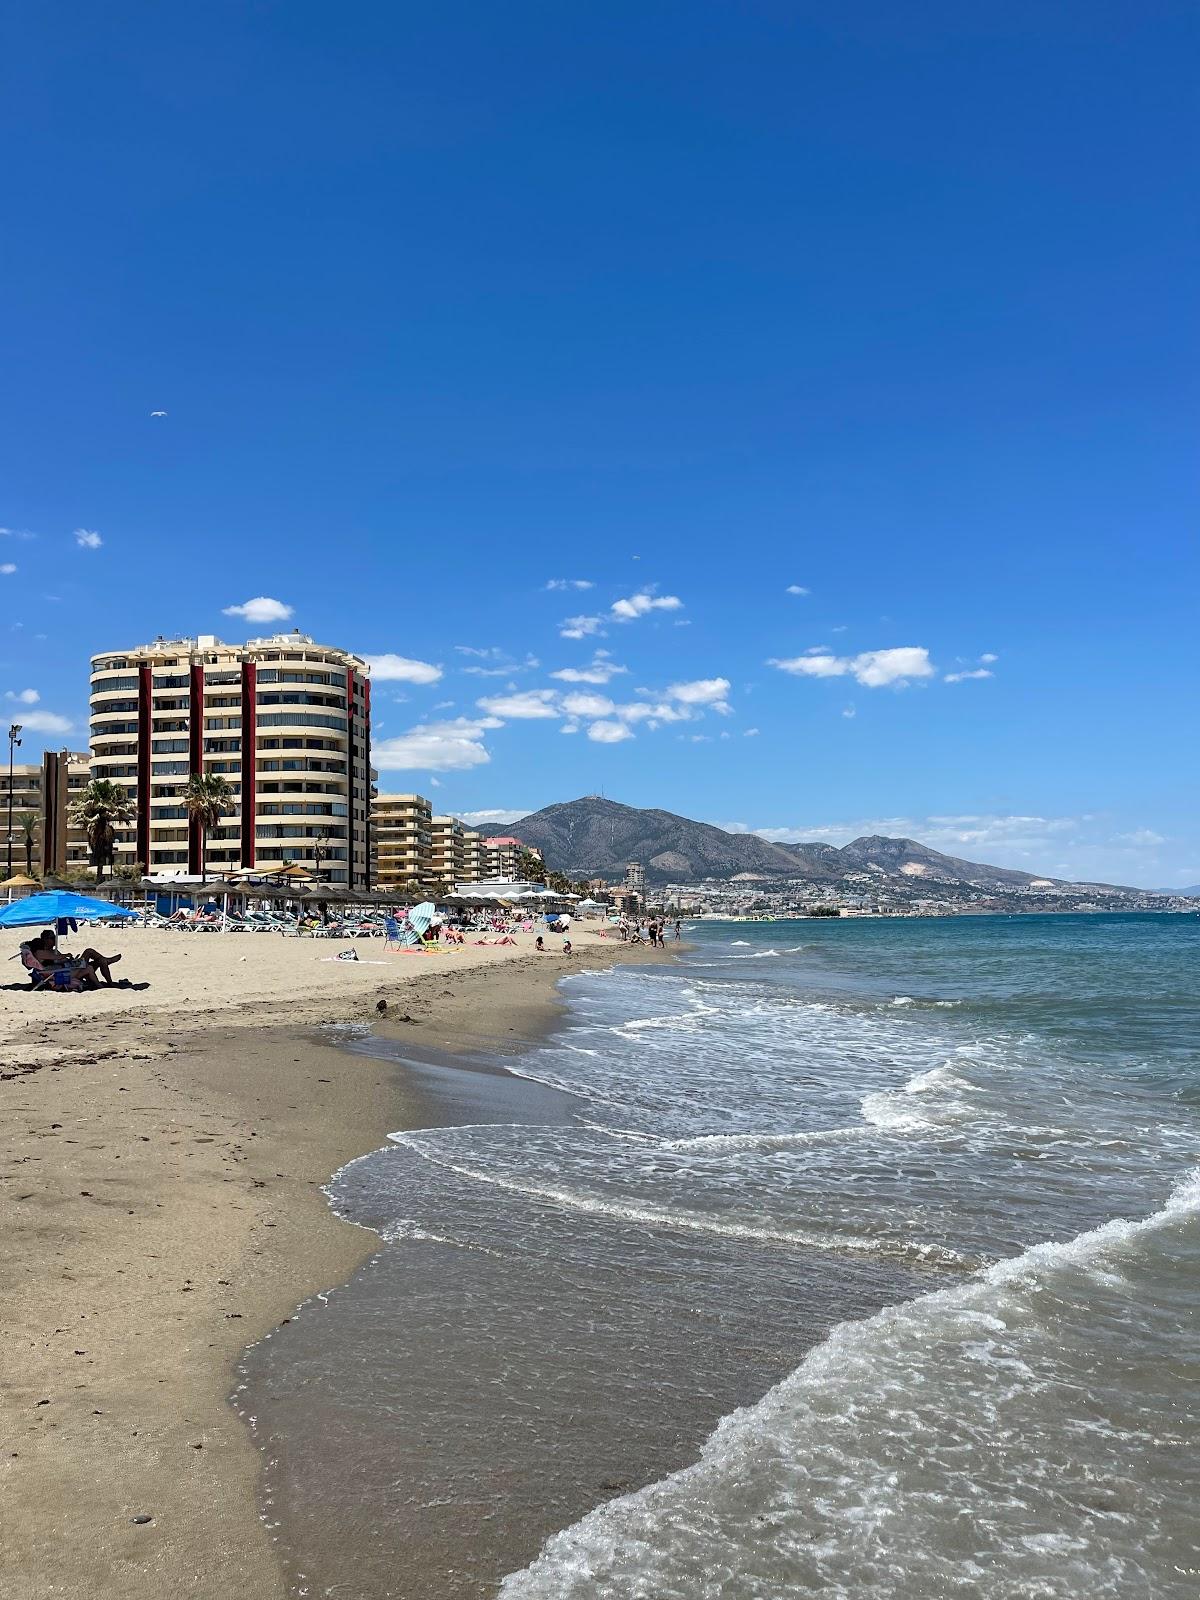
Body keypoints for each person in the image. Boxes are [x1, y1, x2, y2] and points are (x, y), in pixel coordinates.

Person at [31, 930, 122, 987]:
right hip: (63, 973)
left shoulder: (52, 951)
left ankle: (109, 981)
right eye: (52, 938)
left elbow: (60, 959)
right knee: (89, 953)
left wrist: (69, 959)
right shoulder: (41, 952)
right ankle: (107, 966)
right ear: (46, 940)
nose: (55, 939)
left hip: (67, 967)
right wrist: (66, 955)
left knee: (100, 961)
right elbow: (57, 958)